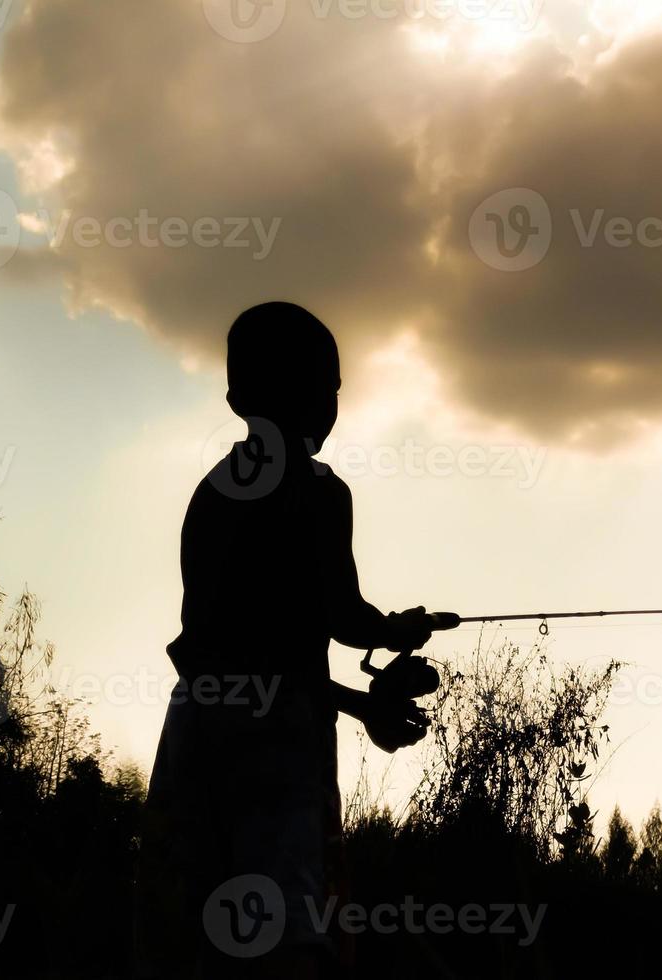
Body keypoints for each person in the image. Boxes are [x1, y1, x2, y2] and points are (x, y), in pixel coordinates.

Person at [135, 301, 440, 978]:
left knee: (188, 928)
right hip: (281, 744)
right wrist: (393, 632)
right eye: (324, 391)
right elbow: (343, 619)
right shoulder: (320, 492)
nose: (328, 407)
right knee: (289, 934)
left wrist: (364, 702)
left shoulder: (213, 492)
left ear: (236, 397)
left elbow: (238, 652)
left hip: (194, 729)